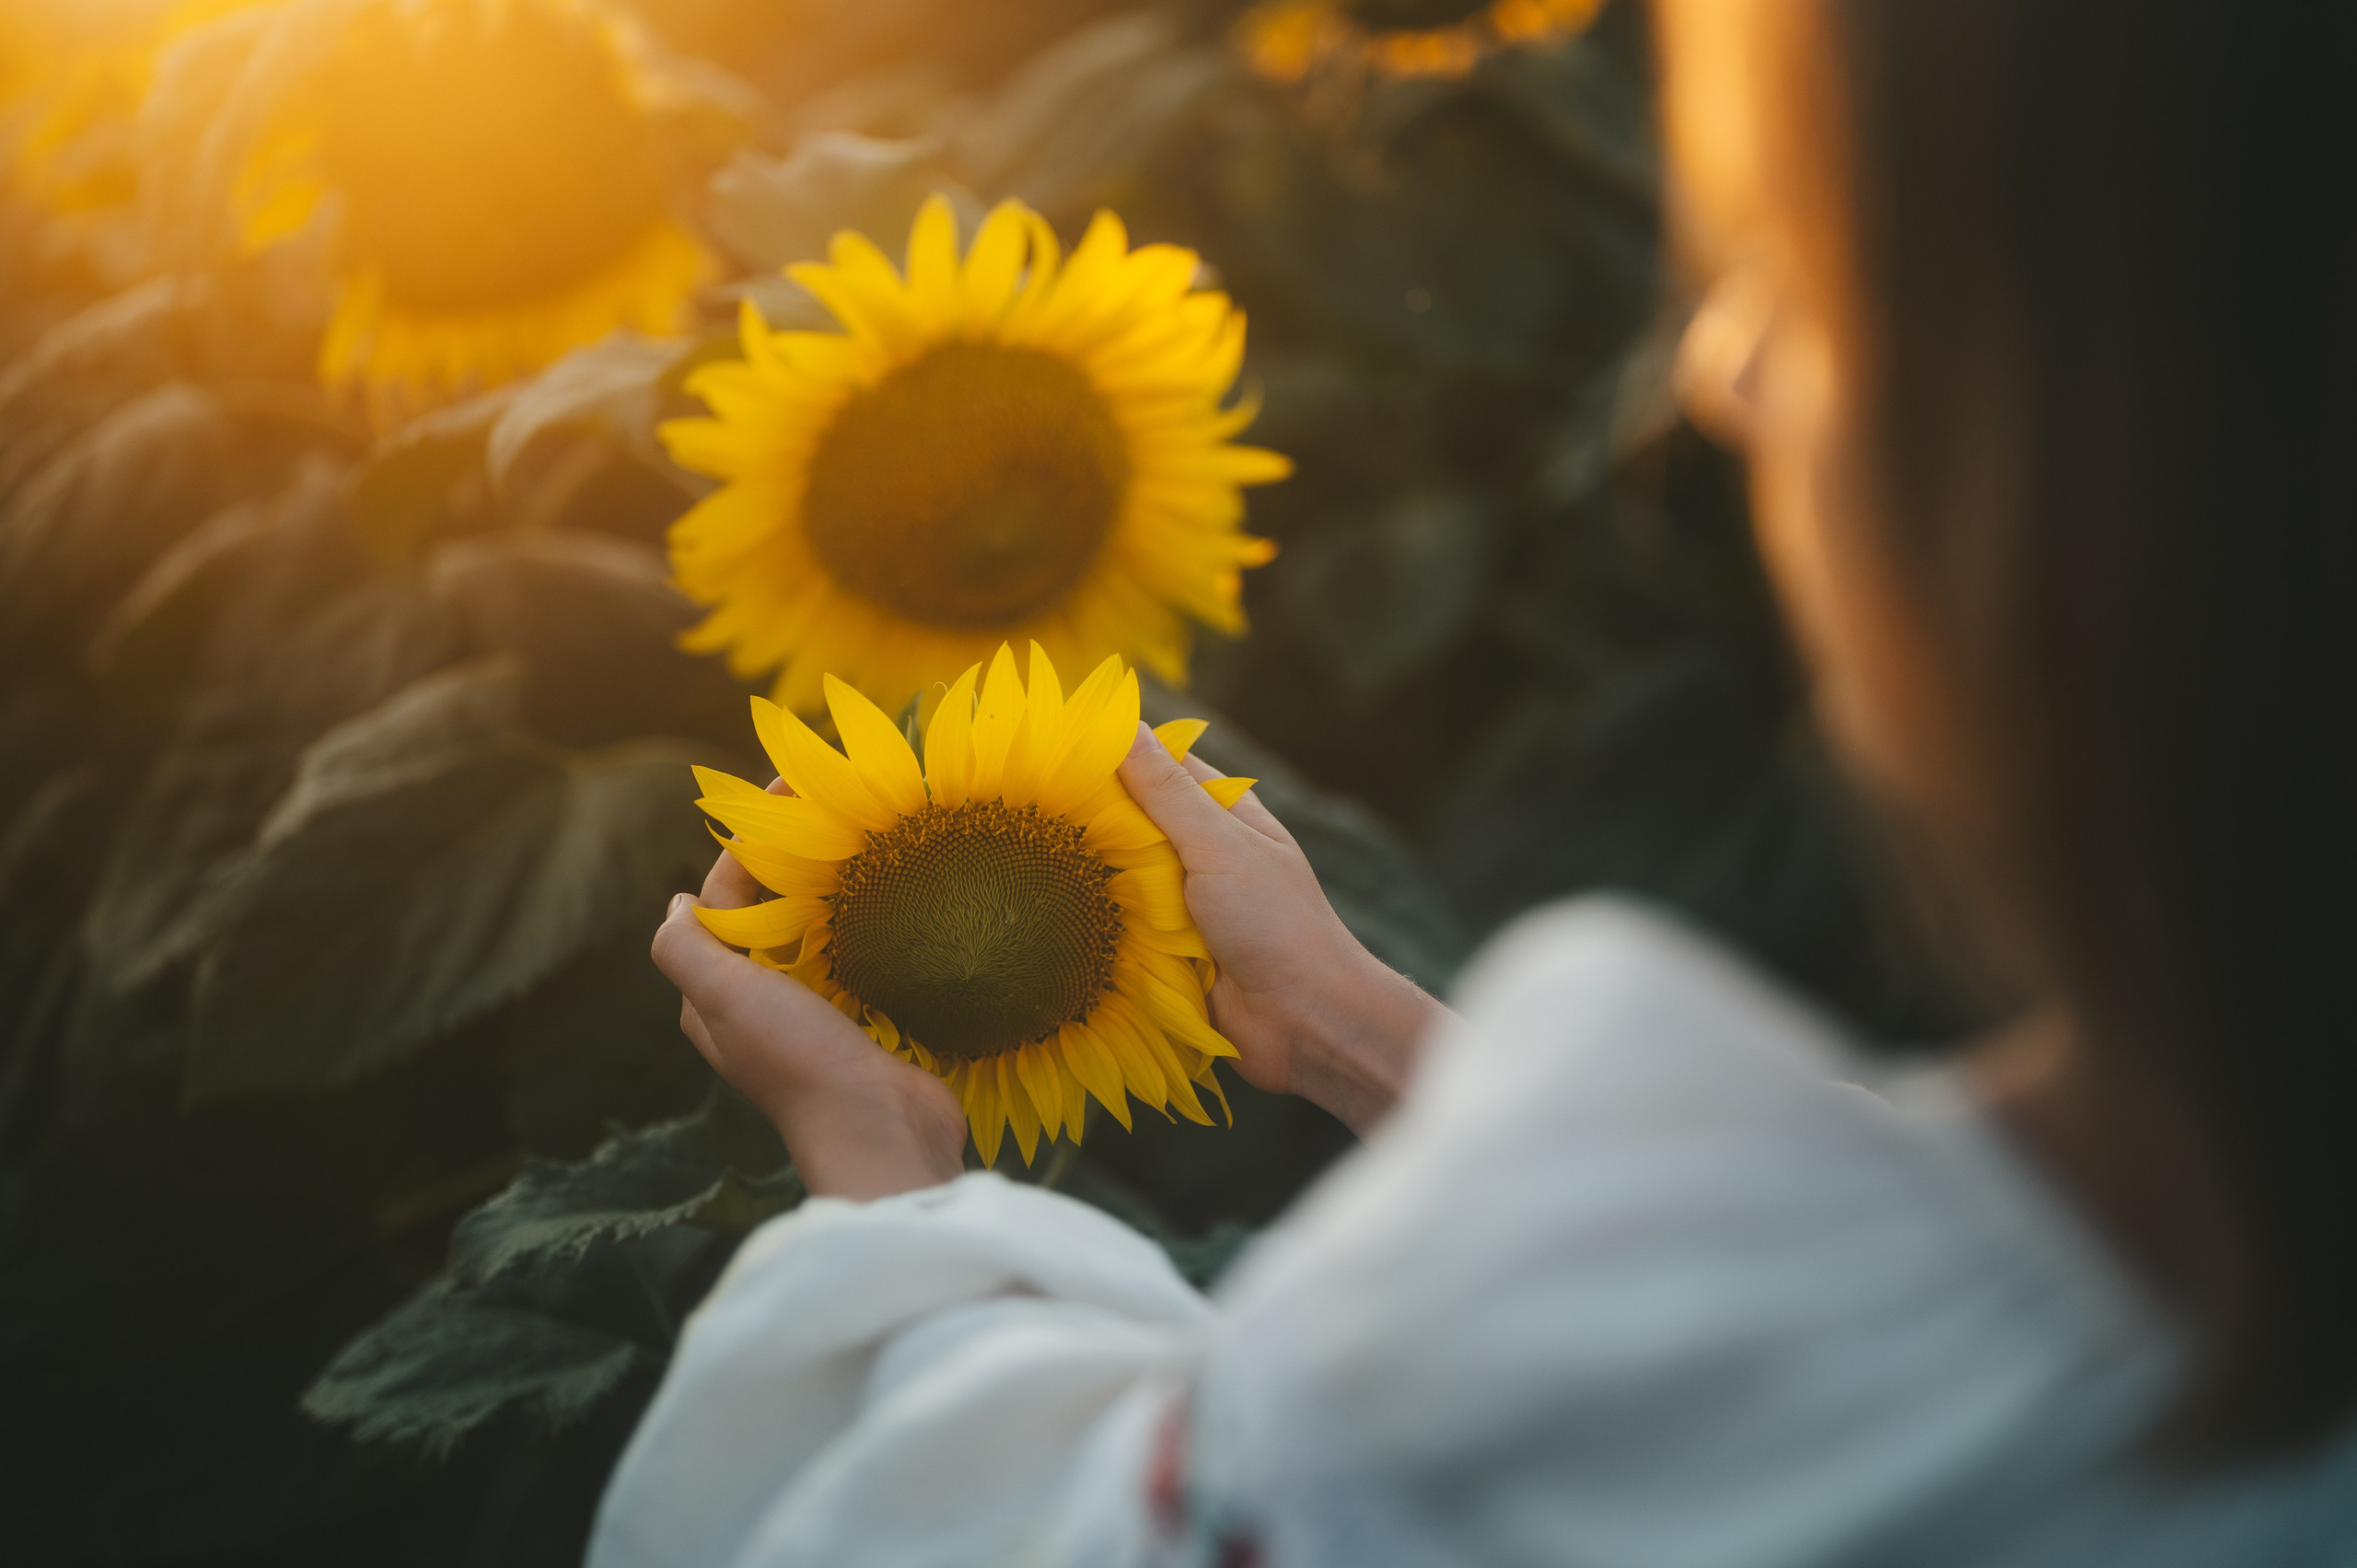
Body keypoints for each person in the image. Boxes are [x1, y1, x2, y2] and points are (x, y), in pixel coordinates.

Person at [593, 1, 2357, 1562]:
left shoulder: (1541, 1343)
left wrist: (887, 1179)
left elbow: (990, 1533)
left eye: (1810, 283)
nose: (1721, 374)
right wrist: (1341, 1020)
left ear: (2107, 479)